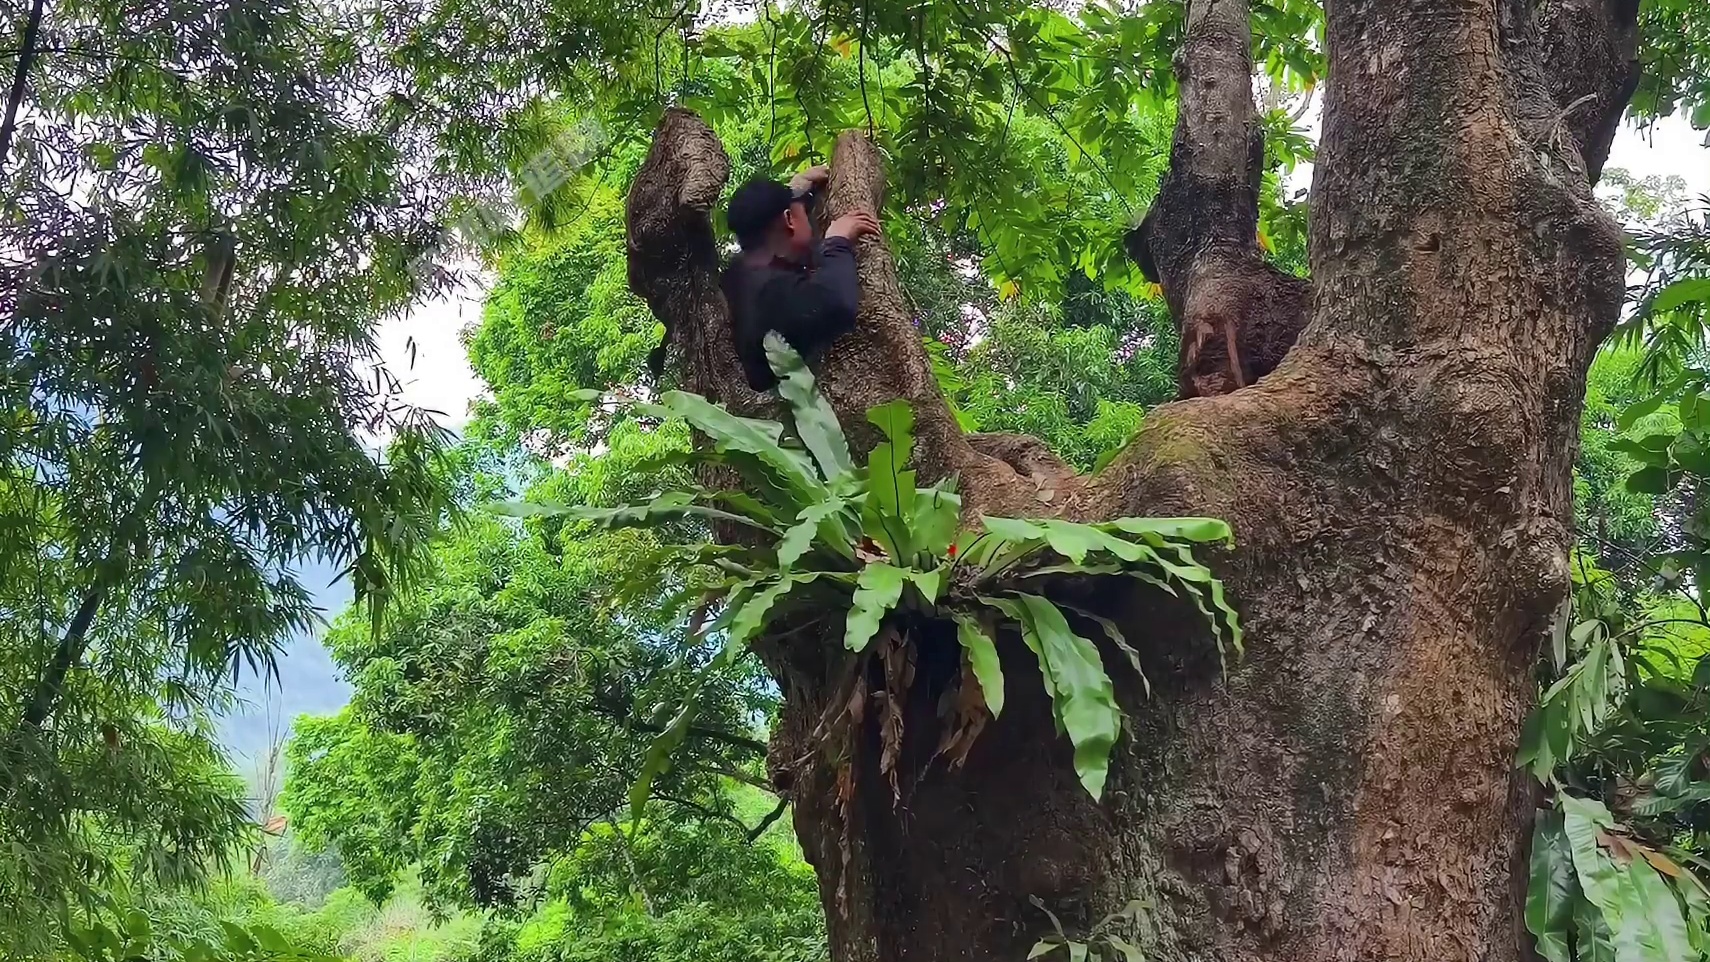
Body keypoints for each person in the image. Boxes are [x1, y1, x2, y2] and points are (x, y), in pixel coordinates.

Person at [647, 165, 881, 390]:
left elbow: (784, 234)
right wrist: (837, 241)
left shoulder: (739, 276)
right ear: (789, 220)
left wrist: (795, 193)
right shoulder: (773, 291)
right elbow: (838, 305)